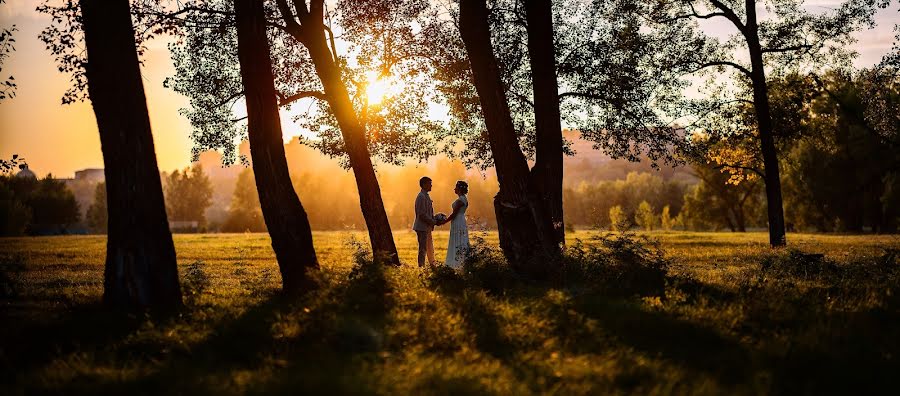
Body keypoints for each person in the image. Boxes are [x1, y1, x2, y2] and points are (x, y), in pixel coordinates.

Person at [440, 180, 470, 269]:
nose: (454, 189)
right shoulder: (463, 198)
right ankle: (458, 262)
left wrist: (444, 221)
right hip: (460, 220)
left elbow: (454, 214)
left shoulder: (461, 200)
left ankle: (457, 263)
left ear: (459, 189)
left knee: (458, 239)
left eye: (456, 187)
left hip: (458, 220)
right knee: (459, 239)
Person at [413, 176, 437, 267]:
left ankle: (432, 265)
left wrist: (434, 219)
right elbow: (421, 214)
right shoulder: (421, 197)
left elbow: (427, 212)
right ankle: (421, 267)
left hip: (426, 227)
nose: (431, 185)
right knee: (423, 248)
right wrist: (432, 221)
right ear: (424, 185)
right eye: (429, 184)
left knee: (429, 247)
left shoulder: (426, 195)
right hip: (421, 227)